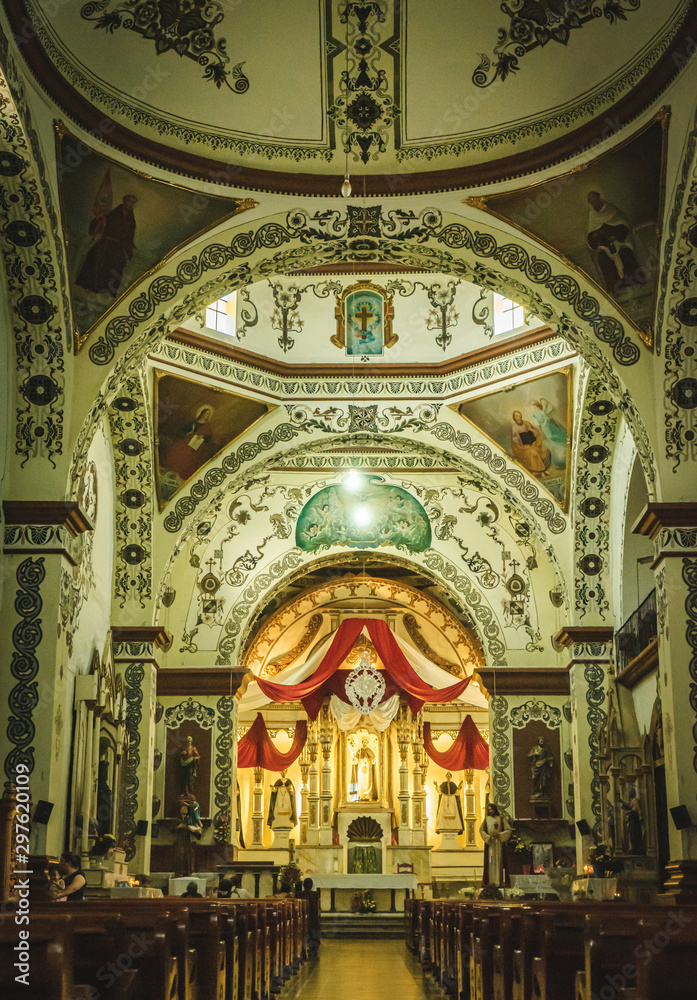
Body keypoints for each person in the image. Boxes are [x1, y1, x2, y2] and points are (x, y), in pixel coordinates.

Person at [76, 194, 137, 298]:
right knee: (96, 260)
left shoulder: (131, 220)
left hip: (118, 247)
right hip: (105, 242)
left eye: (132, 202)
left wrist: (132, 247)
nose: (130, 204)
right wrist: (100, 219)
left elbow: (129, 237)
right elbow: (98, 225)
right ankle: (89, 288)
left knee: (117, 265)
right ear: (124, 201)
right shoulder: (112, 214)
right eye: (129, 201)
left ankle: (105, 292)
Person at [586, 190, 646, 294]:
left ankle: (635, 282)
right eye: (591, 202)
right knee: (603, 258)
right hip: (606, 246)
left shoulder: (611, 209)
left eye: (594, 200)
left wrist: (615, 236)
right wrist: (595, 237)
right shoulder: (592, 215)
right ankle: (616, 288)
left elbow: (624, 224)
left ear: (599, 198)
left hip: (621, 241)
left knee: (625, 253)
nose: (593, 204)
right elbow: (591, 233)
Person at [479, 803, 513, 886]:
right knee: (490, 862)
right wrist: (488, 837)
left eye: (492, 809)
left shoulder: (501, 819)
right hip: (491, 843)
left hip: (498, 844)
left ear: (495, 809)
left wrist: (500, 834)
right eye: (489, 810)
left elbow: (508, 830)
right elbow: (481, 830)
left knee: (499, 861)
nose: (490, 811)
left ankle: (499, 881)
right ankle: (491, 881)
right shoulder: (486, 819)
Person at [511, 410, 551, 475]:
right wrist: (517, 438)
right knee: (533, 452)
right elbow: (515, 440)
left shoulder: (526, 423)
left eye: (519, 415)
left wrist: (531, 430)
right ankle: (540, 471)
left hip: (533, 443)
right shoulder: (514, 427)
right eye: (516, 416)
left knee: (544, 448)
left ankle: (542, 470)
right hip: (522, 446)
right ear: (514, 417)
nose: (519, 417)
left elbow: (537, 433)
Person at [530, 399, 567, 467]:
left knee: (551, 436)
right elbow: (534, 422)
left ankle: (564, 440)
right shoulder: (534, 414)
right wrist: (538, 425)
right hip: (543, 428)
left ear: (538, 407)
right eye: (533, 408)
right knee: (549, 438)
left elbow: (546, 419)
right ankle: (562, 444)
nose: (534, 409)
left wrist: (543, 425)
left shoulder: (542, 412)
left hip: (547, 426)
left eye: (535, 407)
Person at [349, 737, 378, 801]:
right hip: (360, 768)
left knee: (368, 781)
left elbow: (373, 760)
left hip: (368, 768)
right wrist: (355, 759)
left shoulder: (369, 751)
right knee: (360, 780)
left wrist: (372, 760)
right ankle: (360, 794)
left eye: (365, 742)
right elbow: (356, 760)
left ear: (367, 743)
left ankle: (368, 794)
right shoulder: (359, 751)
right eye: (363, 742)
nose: (364, 743)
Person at [621, 789, 643, 854]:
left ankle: (636, 848)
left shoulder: (635, 800)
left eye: (630, 793)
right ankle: (633, 847)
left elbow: (636, 810)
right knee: (631, 833)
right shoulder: (632, 801)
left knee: (634, 833)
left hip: (634, 818)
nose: (629, 794)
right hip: (632, 818)